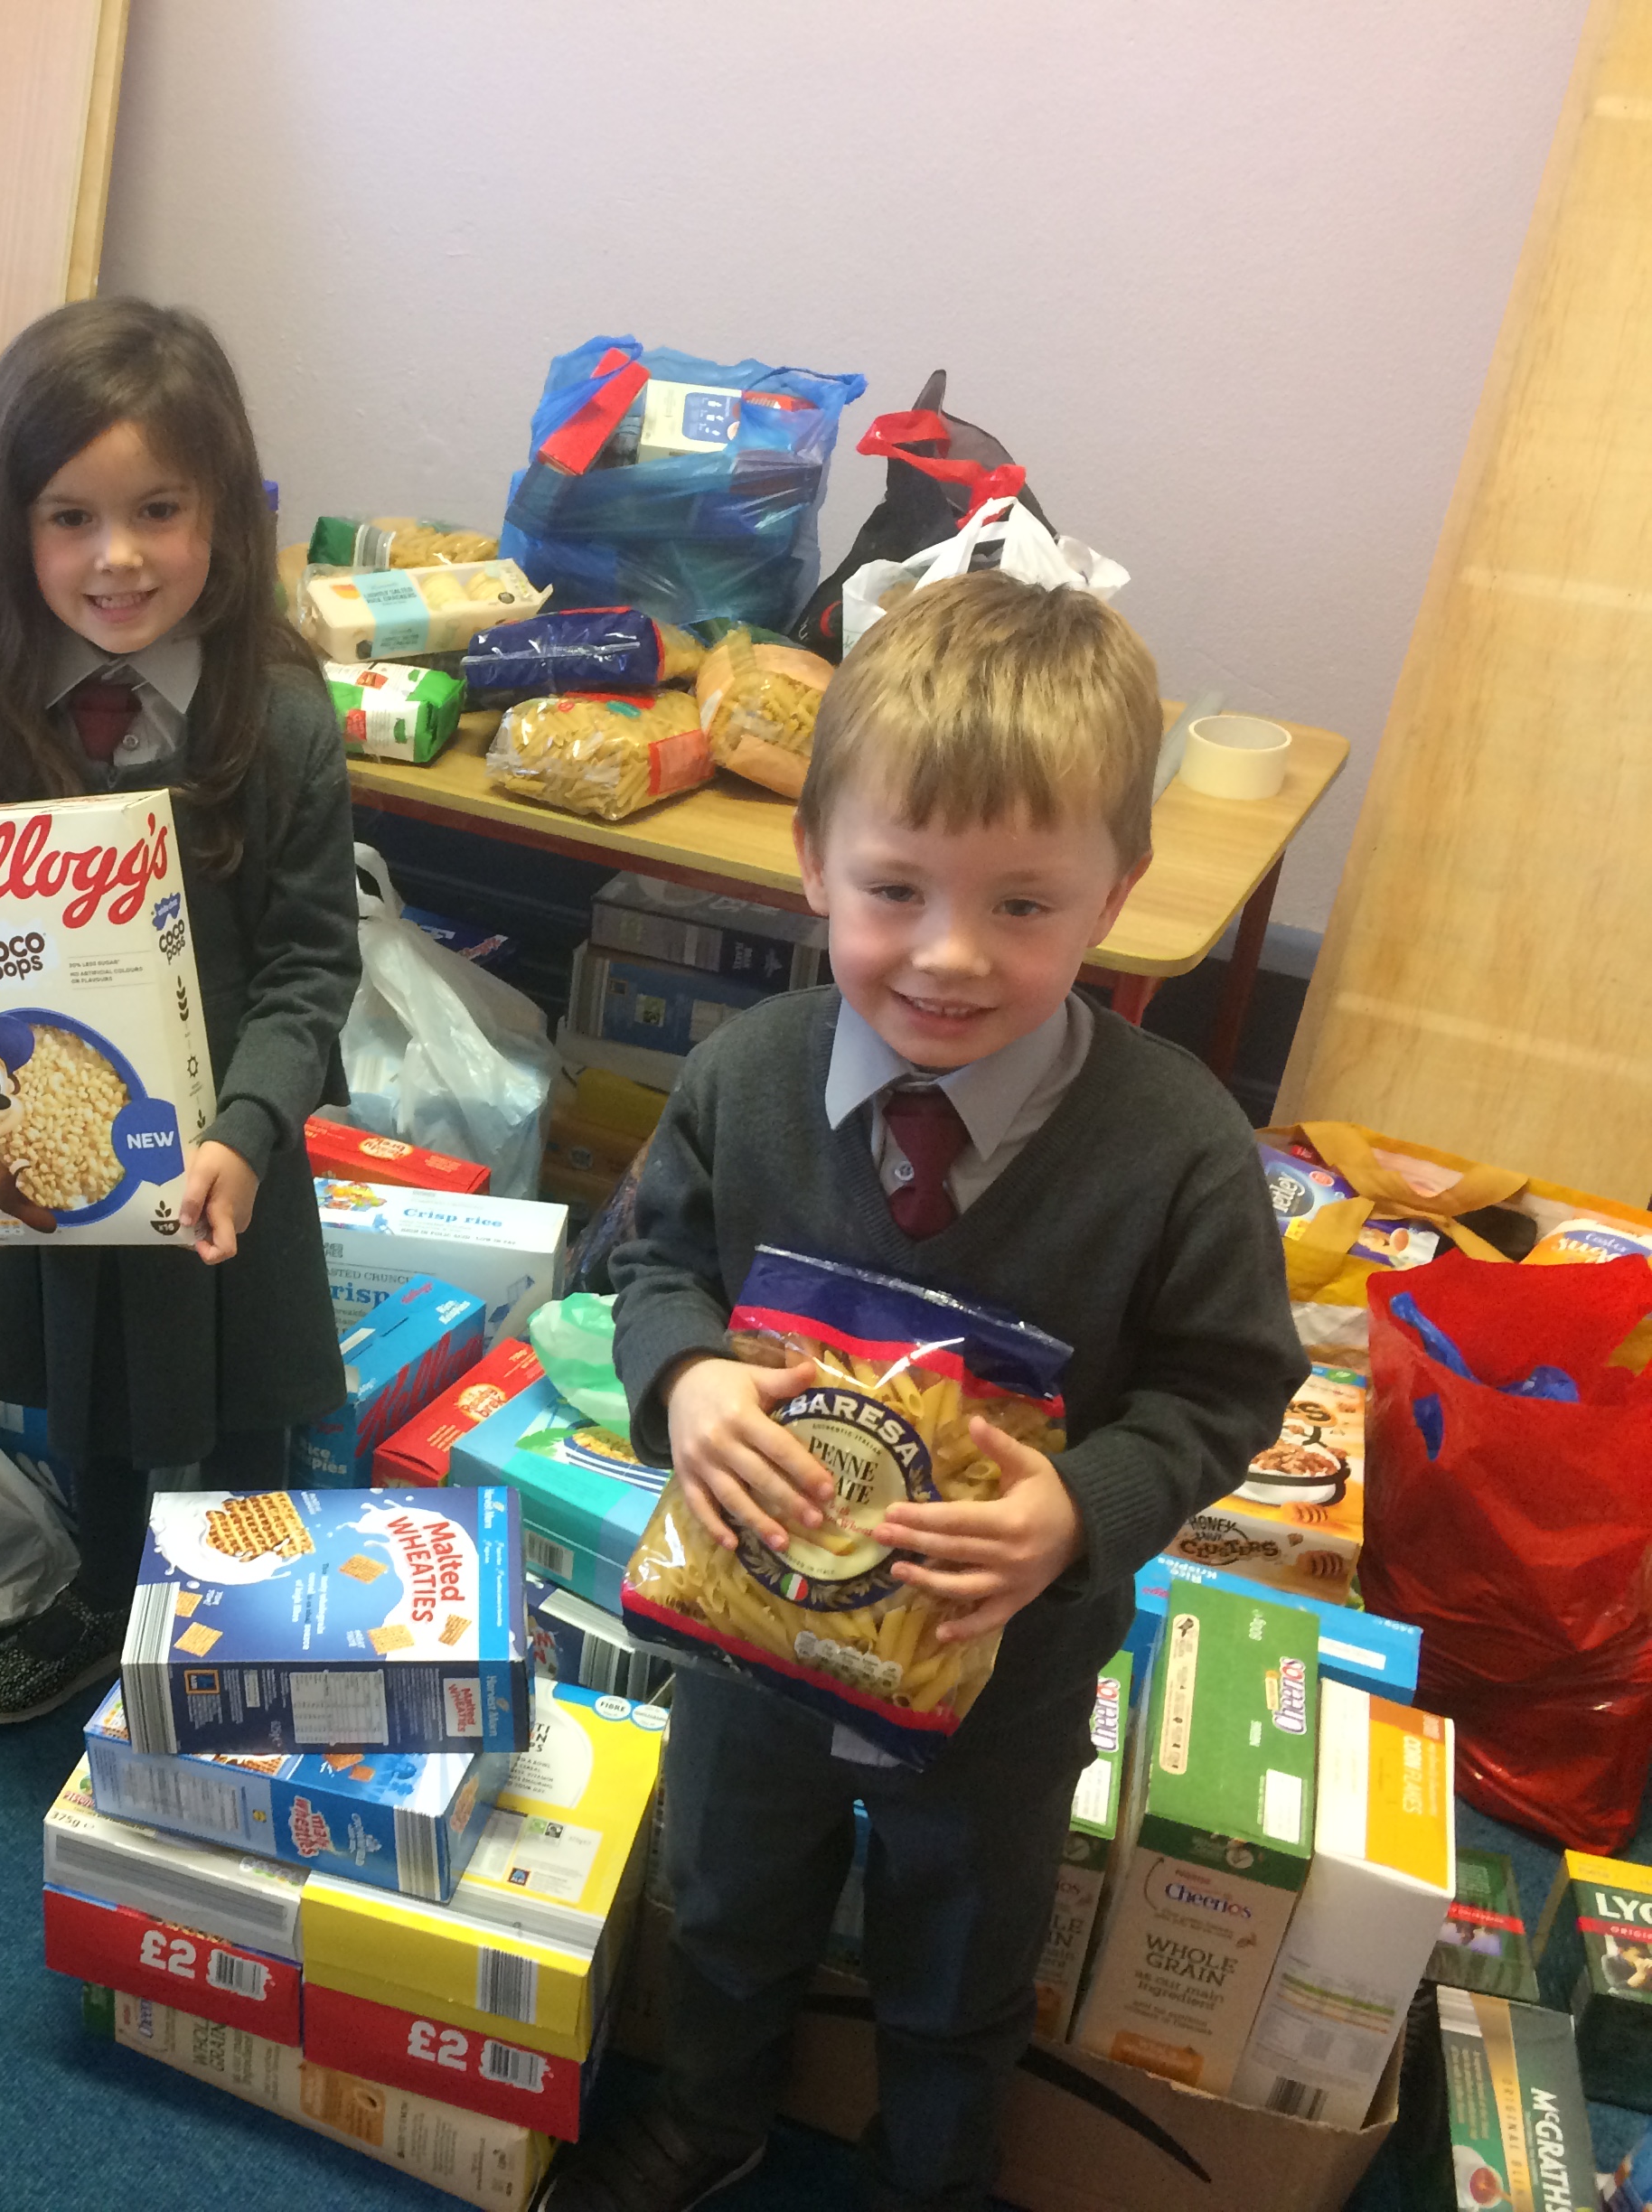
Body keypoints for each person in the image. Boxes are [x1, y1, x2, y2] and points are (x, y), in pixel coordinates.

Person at [550, 574, 1307, 2212]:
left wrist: (1081, 1509)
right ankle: (714, 2114)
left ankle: (932, 2174)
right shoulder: (745, 1076)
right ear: (813, 861)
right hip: (751, 1634)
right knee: (726, 1895)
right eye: (895, 889)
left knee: (961, 1952)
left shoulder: (1176, 1146)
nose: (951, 956)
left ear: (1115, 895)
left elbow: (1229, 1381)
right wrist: (682, 1376)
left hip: (1002, 1671)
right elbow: (651, 1264)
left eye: (1023, 906)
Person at [0, 299, 361, 1724]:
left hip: (224, 1145)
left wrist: (249, 1126)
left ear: (221, 509)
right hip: (51, 1152)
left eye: (158, 510)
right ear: (15, 527)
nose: (117, 558)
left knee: (242, 1399)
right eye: (71, 517)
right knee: (87, 1389)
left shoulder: (279, 721)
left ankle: (245, 1624)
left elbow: (309, 965)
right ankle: (105, 1594)